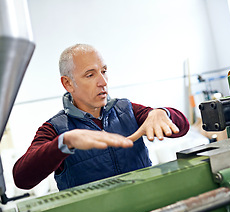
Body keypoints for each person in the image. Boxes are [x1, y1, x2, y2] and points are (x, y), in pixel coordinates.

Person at [13, 44, 190, 191]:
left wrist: (161, 113)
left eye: (104, 71)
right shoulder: (55, 129)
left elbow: (183, 127)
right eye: (90, 75)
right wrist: (64, 142)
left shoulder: (127, 110)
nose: (103, 82)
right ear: (68, 83)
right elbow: (22, 178)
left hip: (146, 210)